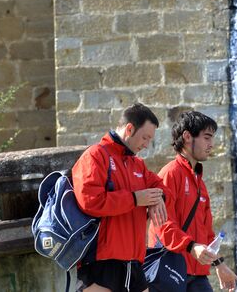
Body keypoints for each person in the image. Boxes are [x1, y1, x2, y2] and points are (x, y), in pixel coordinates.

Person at [72, 103, 169, 292]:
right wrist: (134, 199)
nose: (146, 144)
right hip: (101, 263)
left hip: (133, 262)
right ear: (130, 129)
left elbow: (161, 186)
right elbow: (90, 201)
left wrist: (158, 199)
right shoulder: (95, 155)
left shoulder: (137, 164)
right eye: (145, 137)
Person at [148, 111, 237, 292]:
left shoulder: (199, 183)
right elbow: (162, 224)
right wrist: (191, 246)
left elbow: (206, 232)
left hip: (197, 276)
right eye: (207, 137)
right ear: (187, 137)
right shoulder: (170, 174)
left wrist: (219, 264)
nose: (211, 144)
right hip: (169, 270)